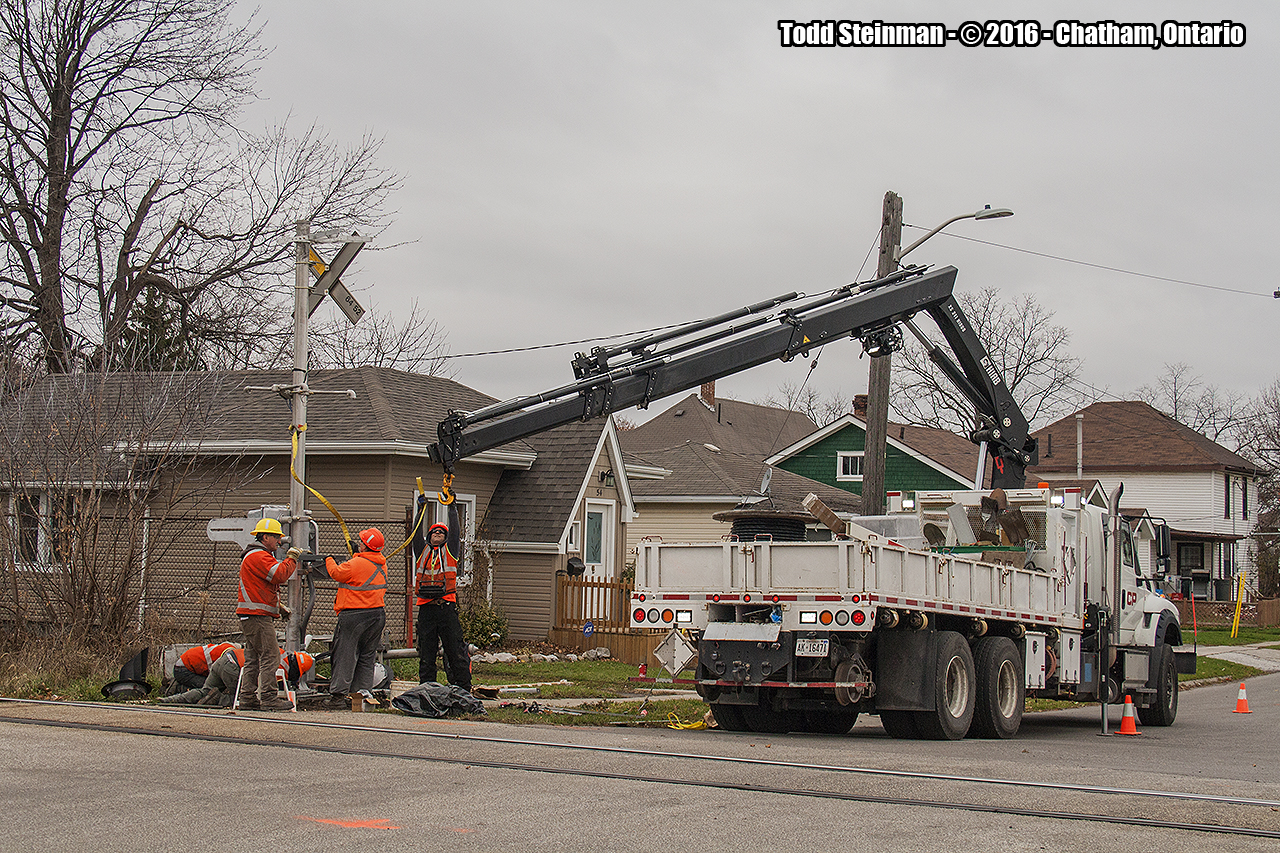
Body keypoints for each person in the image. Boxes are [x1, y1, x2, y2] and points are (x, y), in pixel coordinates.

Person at [236, 517, 300, 711]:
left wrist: (278, 607)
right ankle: (269, 698)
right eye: (276, 537)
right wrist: (292, 559)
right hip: (257, 617)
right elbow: (279, 575)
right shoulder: (259, 556)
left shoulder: (254, 556)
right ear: (265, 537)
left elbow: (261, 588)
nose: (279, 542)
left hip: (251, 615)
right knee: (270, 656)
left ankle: (247, 697)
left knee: (253, 658)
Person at [320, 527, 388, 709]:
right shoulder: (381, 563)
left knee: (345, 655)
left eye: (361, 542)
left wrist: (328, 559)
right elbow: (363, 568)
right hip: (377, 616)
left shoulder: (355, 564)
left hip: (354, 616)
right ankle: (361, 695)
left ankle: (338, 697)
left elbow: (336, 573)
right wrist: (357, 554)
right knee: (367, 656)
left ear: (365, 547)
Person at [412, 496, 472, 692]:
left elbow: (455, 532)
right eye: (434, 532)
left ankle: (463, 689)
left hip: (446, 608)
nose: (437, 533)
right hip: (426, 609)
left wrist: (453, 508)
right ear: (428, 537)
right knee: (426, 654)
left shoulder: (451, 551)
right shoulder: (422, 552)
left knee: (455, 651)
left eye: (441, 532)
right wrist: (421, 511)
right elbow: (415, 534)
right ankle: (426, 689)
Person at [161, 648, 313, 707]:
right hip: (233, 667)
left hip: (224, 659)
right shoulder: (279, 667)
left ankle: (171, 700)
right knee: (241, 698)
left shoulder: (278, 651)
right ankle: (217, 699)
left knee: (204, 690)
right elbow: (262, 687)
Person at [166, 641, 239, 695]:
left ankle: (181, 685)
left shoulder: (226, 647)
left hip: (184, 666)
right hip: (183, 669)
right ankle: (178, 688)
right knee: (207, 688)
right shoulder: (228, 653)